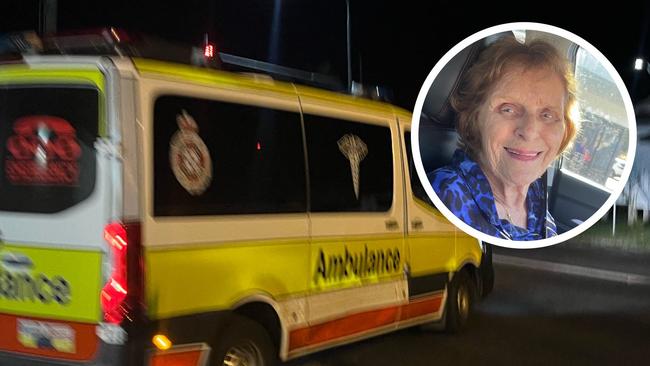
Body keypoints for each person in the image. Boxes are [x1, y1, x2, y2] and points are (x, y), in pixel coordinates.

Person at [428, 37, 579, 240]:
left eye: (547, 115)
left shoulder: (538, 205)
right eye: (507, 109)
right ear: (474, 118)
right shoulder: (445, 196)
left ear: (565, 129)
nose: (530, 131)